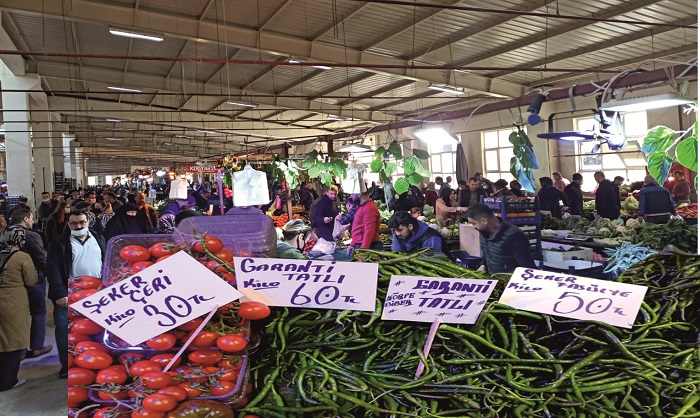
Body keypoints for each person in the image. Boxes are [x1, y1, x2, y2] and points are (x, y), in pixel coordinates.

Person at [47, 211, 106, 378]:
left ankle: (92, 361)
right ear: (68, 224)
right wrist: (60, 292)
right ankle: (67, 365)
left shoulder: (98, 237)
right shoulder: (60, 243)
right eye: (74, 223)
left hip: (97, 291)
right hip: (70, 294)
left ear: (88, 222)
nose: (78, 226)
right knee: (65, 330)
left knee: (93, 328)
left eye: (81, 222)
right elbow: (53, 269)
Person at [9, 210, 53, 359]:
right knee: (39, 312)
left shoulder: (4, 234)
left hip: (11, 282)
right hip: (33, 279)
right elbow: (41, 258)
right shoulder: (31, 235)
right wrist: (52, 276)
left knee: (18, 315)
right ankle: (36, 346)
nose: (33, 222)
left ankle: (19, 350)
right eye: (31, 218)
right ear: (25, 218)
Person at [0, 227, 38, 390]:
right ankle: (8, 381)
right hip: (13, 302)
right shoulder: (22, 257)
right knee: (14, 341)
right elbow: (31, 280)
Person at [465, 204, 535, 273]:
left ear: (484, 221)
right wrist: (483, 265)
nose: (472, 227)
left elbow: (527, 267)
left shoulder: (514, 236)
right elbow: (488, 253)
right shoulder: (484, 233)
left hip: (510, 280)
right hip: (494, 279)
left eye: (473, 223)